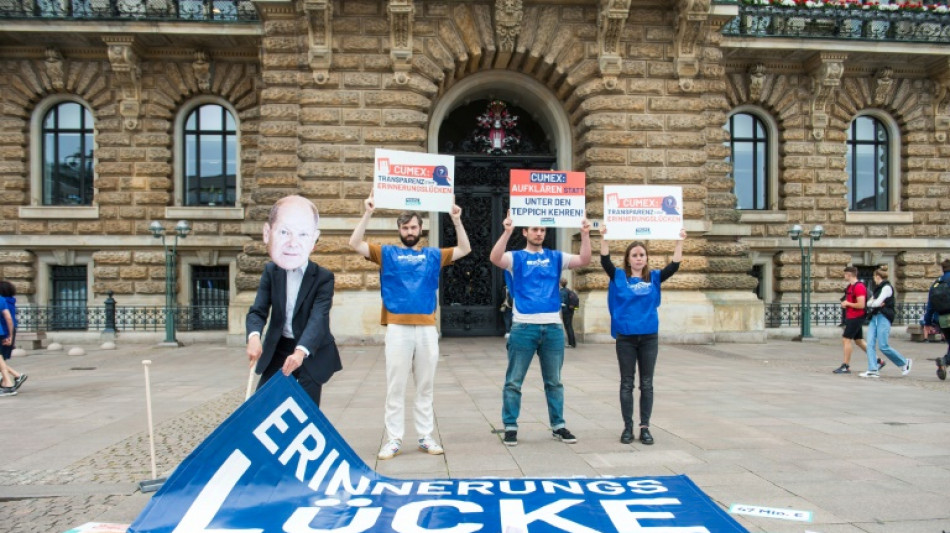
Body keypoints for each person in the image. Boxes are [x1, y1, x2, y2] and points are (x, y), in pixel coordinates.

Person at [349, 195, 471, 460]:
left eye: (413, 228)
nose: (409, 232)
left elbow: (464, 249)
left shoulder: (432, 255)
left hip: (427, 328)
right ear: (399, 231)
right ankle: (393, 439)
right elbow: (354, 243)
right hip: (398, 327)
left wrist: (457, 220)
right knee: (396, 386)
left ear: (420, 230)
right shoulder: (387, 253)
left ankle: (425, 436)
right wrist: (368, 212)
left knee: (425, 385)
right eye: (405, 228)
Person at [489, 210, 591, 447]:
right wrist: (506, 232)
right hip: (524, 327)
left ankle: (558, 425)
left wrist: (585, 234)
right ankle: (511, 426)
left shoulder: (556, 257)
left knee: (554, 381)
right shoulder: (516, 257)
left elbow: (584, 261)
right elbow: (495, 258)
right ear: (525, 232)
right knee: (514, 381)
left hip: (553, 328)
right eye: (534, 229)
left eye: (542, 230)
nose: (539, 233)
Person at [246, 195, 342, 407]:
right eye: (284, 232)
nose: (292, 243)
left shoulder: (324, 277)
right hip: (279, 347)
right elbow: (258, 311)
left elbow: (318, 319)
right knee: (261, 405)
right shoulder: (271, 271)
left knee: (306, 411)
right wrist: (254, 337)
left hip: (310, 350)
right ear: (269, 234)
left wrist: (300, 353)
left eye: (302, 234)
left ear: (312, 243)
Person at [600, 226, 685, 445]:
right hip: (626, 337)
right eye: (634, 255)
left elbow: (674, 266)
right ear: (628, 259)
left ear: (646, 259)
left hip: (648, 337)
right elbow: (605, 262)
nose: (639, 258)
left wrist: (679, 241)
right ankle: (627, 428)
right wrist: (604, 237)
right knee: (626, 383)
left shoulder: (654, 278)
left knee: (646, 384)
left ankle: (645, 428)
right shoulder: (619, 277)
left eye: (642, 255)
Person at [860, 266, 911, 378]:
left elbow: (876, 303)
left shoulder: (887, 287)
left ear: (878, 277)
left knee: (883, 345)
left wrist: (875, 303)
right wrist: (874, 303)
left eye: (874, 277)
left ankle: (904, 362)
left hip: (883, 317)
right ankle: (873, 369)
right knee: (870, 344)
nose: (873, 279)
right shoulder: (878, 288)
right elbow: (869, 303)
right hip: (875, 317)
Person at [833, 266, 868, 375]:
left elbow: (861, 304)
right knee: (859, 341)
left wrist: (848, 304)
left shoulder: (859, 287)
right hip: (851, 316)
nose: (844, 276)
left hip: (856, 317)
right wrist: (845, 304)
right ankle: (877, 360)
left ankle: (845, 366)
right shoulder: (849, 287)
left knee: (846, 339)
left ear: (849, 274)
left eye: (845, 274)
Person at [922, 258, 950, 380]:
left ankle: (944, 364)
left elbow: (930, 306)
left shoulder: (936, 283)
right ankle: (944, 360)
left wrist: (927, 323)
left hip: (942, 319)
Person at [0, 281, 26, 392]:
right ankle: (14, 376)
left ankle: (10, 380)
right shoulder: (10, 301)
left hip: (5, 330)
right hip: (7, 330)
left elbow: (7, 319)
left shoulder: (3, 300)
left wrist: (8, 335)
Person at [0, 293, 17, 397]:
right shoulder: (1, 299)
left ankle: (9, 384)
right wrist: (10, 335)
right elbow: (8, 318)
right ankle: (10, 381)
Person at [559, 278, 578, 348]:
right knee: (570, 326)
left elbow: (562, 303)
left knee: (568, 327)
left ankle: (571, 343)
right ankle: (572, 342)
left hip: (565, 311)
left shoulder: (562, 292)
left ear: (560, 284)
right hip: (570, 310)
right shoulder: (568, 290)